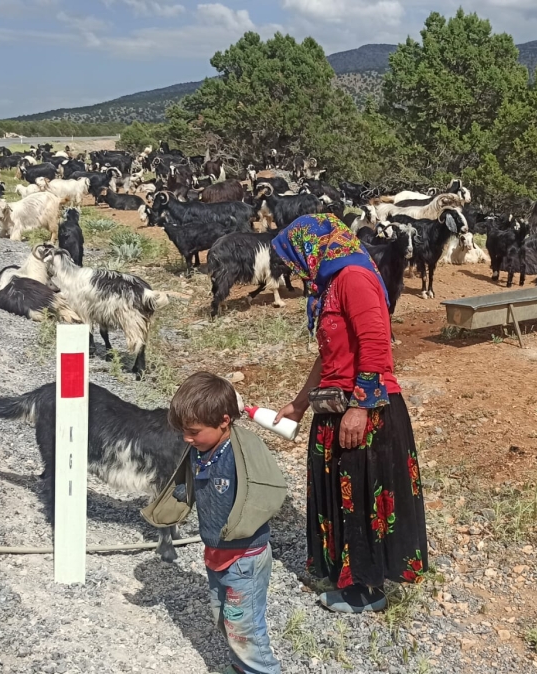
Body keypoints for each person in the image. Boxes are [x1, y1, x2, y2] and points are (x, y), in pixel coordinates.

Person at [270, 213, 429, 613]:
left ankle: (367, 589)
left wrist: (360, 407)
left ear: (313, 248)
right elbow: (330, 357)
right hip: (335, 405)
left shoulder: (352, 278)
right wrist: (299, 403)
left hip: (365, 409)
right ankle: (347, 576)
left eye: (295, 257)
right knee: (344, 497)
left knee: (359, 497)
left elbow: (376, 344)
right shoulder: (331, 283)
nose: (294, 267)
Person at [144, 372, 288, 674]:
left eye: (193, 431)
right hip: (217, 554)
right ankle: (241, 666)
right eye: (184, 431)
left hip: (244, 558)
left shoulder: (238, 457)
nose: (187, 438)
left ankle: (261, 670)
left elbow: (267, 491)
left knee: (245, 628)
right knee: (225, 618)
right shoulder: (202, 449)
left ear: (224, 420)